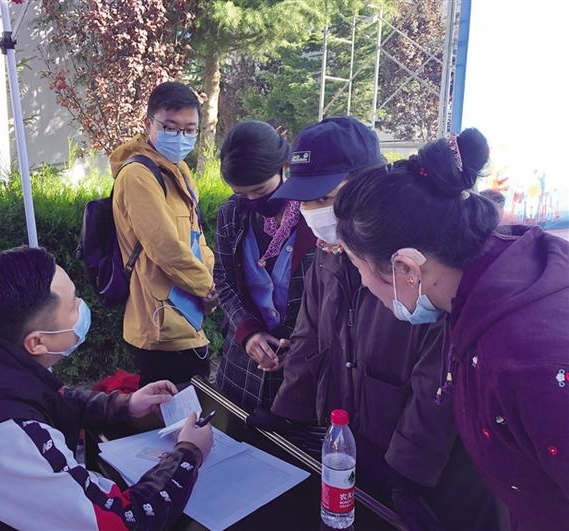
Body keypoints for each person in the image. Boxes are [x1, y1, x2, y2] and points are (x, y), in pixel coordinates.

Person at [256, 117, 501, 531]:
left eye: (326, 198)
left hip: (427, 469)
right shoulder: (327, 257)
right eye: (306, 202)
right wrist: (288, 413)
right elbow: (308, 337)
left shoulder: (424, 263)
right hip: (354, 445)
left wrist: (408, 472)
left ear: (369, 184)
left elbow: (438, 379)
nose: (314, 214)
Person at [0, 247, 213, 530]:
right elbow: (118, 521)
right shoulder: (0, 440)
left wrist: (122, 405)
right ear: (37, 343)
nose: (82, 308)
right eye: (74, 304)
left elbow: (40, 397)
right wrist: (187, 454)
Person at [333, 128, 569, 531]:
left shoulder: (524, 359)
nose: (364, 286)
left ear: (406, 269)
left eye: (359, 269)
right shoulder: (500, 280)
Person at [110, 81, 216, 387]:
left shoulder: (177, 169)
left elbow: (196, 236)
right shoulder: (138, 175)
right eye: (170, 127)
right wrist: (207, 286)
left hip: (187, 314)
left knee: (192, 403)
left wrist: (209, 282)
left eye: (189, 129)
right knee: (174, 408)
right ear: (148, 124)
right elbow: (165, 247)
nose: (180, 137)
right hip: (160, 322)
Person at [213, 120, 317, 411]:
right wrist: (248, 332)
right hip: (243, 368)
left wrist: (302, 346)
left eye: (259, 190)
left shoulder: (315, 217)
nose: (251, 201)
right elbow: (223, 280)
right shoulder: (232, 214)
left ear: (284, 167)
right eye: (241, 193)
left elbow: (333, 301)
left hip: (305, 371)